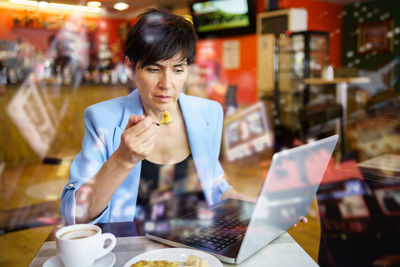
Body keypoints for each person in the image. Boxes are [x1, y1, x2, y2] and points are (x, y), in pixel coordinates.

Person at [60, 9, 254, 225]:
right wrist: (123, 159)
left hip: (196, 248)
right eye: (154, 69)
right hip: (134, 250)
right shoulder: (102, 119)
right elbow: (75, 215)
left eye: (178, 70)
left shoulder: (210, 114)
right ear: (130, 68)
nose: (167, 84)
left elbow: (214, 187)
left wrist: (257, 207)